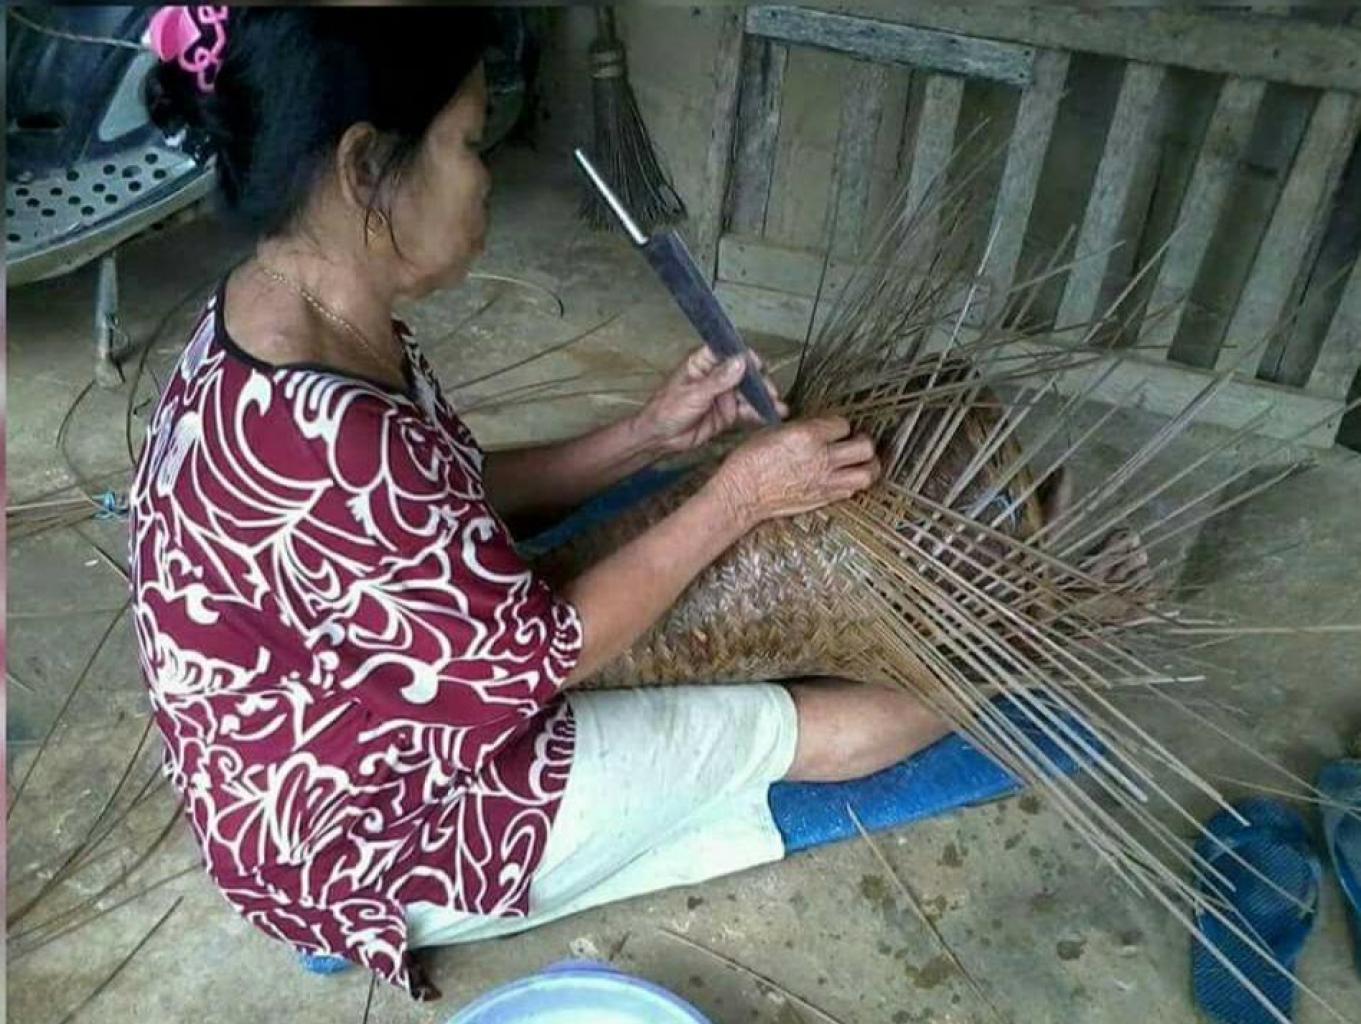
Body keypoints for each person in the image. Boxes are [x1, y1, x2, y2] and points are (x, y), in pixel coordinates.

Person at [130, 7, 947, 1000]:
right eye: (469, 144)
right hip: (357, 833)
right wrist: (741, 493)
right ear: (363, 166)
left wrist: (643, 437)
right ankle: (1006, 677)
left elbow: (435, 492)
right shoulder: (335, 434)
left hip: (324, 739)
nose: (484, 178)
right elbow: (538, 657)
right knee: (795, 723)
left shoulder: (272, 313)